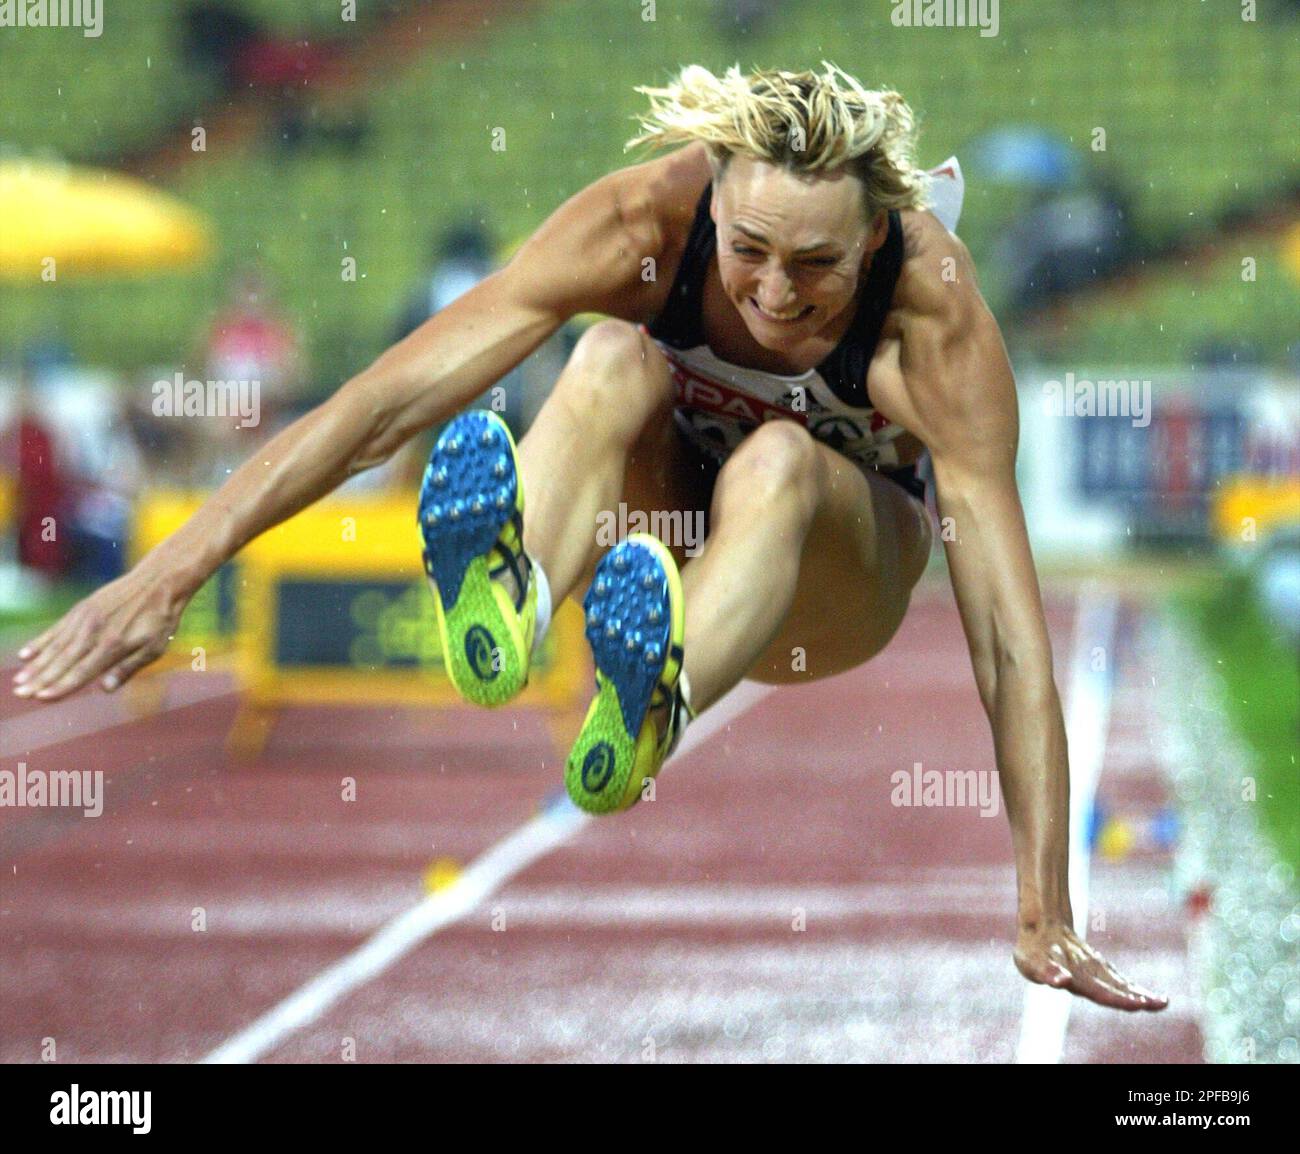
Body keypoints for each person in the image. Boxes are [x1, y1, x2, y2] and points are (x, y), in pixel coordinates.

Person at [11, 63, 1166, 1013]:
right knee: (609, 354)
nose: (774, 292)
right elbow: (379, 406)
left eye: (817, 265)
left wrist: (1042, 898)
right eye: (750, 247)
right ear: (709, 197)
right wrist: (168, 574)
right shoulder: (634, 227)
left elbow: (1008, 636)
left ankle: (655, 695)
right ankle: (516, 610)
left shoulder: (932, 314)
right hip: (650, 530)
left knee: (773, 458)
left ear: (874, 244)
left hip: (829, 577)